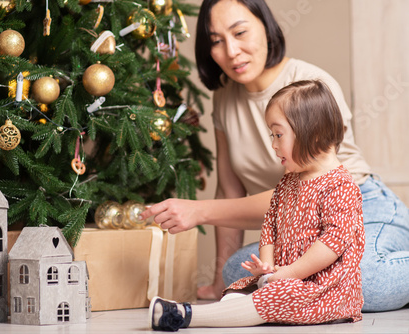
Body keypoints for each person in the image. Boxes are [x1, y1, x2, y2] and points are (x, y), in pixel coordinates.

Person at [140, 0, 409, 312]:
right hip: (299, 230)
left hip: (361, 209)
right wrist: (218, 283)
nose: (231, 51)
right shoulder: (225, 96)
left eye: (240, 32)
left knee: (366, 280)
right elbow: (230, 189)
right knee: (238, 271)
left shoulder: (310, 86)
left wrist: (200, 211)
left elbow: (310, 191)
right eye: (216, 41)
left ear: (267, 30)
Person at [149, 80, 365, 331]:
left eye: (278, 135)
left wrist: (288, 274)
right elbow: (270, 225)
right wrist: (267, 267)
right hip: (284, 275)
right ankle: (229, 309)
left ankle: (184, 316)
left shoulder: (340, 186)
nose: (273, 144)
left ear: (313, 133)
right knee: (238, 289)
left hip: (322, 289)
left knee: (275, 295)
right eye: (271, 135)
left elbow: (333, 243)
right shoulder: (288, 181)